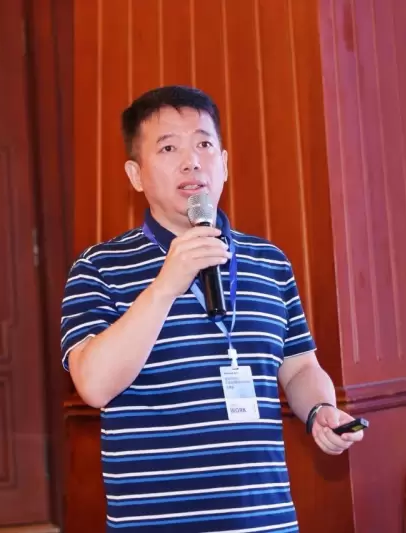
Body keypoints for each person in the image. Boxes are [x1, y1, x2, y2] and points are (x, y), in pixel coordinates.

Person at [60, 85, 364, 533]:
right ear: (136, 174)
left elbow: (299, 366)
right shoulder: (99, 267)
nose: (192, 161)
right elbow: (94, 385)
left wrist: (320, 410)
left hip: (265, 519)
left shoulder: (269, 262)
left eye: (203, 144)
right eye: (169, 148)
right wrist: (165, 286)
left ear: (224, 162)